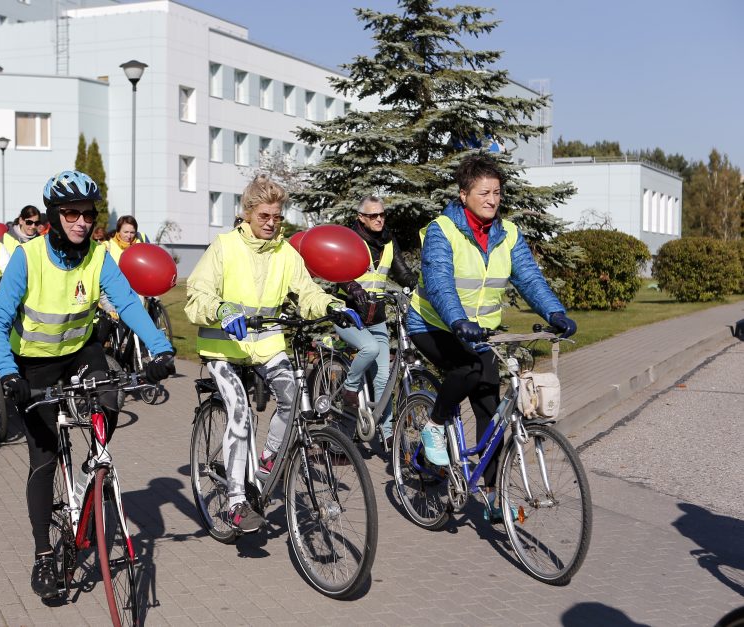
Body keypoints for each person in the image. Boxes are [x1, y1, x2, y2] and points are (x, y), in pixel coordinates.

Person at [0, 169, 175, 599]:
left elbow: (126, 301)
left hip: (79, 350)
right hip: (32, 364)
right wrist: (7, 371)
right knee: (44, 457)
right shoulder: (28, 257)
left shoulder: (98, 256)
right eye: (71, 213)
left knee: (111, 394)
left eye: (88, 214)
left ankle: (95, 471)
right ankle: (42, 553)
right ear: (54, 216)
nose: (81, 222)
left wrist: (160, 349)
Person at [185, 174, 362, 533]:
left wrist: (332, 305)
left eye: (277, 217)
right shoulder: (224, 247)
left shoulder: (285, 253)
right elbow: (196, 294)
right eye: (264, 216)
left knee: (295, 396)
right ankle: (236, 501)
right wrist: (222, 310)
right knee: (239, 410)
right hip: (224, 348)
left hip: (266, 345)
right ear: (248, 213)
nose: (271, 223)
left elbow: (307, 293)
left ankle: (266, 463)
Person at [407, 154, 577, 521]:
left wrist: (554, 312)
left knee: (491, 411)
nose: (492, 199)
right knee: (467, 368)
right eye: (484, 192)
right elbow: (438, 283)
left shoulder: (507, 233)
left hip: (481, 331)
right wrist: (457, 320)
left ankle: (493, 495)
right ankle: (434, 427)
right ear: (464, 193)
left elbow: (529, 277)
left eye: (497, 192)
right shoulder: (442, 230)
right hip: (434, 324)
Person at [334, 195, 417, 450]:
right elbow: (337, 270)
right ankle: (349, 389)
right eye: (373, 215)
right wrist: (352, 287)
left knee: (383, 379)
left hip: (377, 317)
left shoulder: (389, 241)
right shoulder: (350, 239)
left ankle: (389, 434)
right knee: (369, 349)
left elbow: (401, 272)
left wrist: (419, 285)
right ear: (361, 217)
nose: (379, 219)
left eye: (382, 214)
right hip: (348, 314)